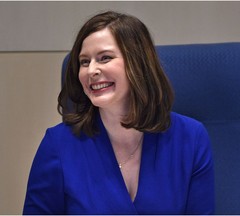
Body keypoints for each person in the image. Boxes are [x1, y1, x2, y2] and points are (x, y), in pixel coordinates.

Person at [23, 10, 215, 214]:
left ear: (138, 64)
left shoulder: (191, 138)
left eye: (105, 58)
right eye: (84, 62)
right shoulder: (58, 144)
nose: (91, 71)